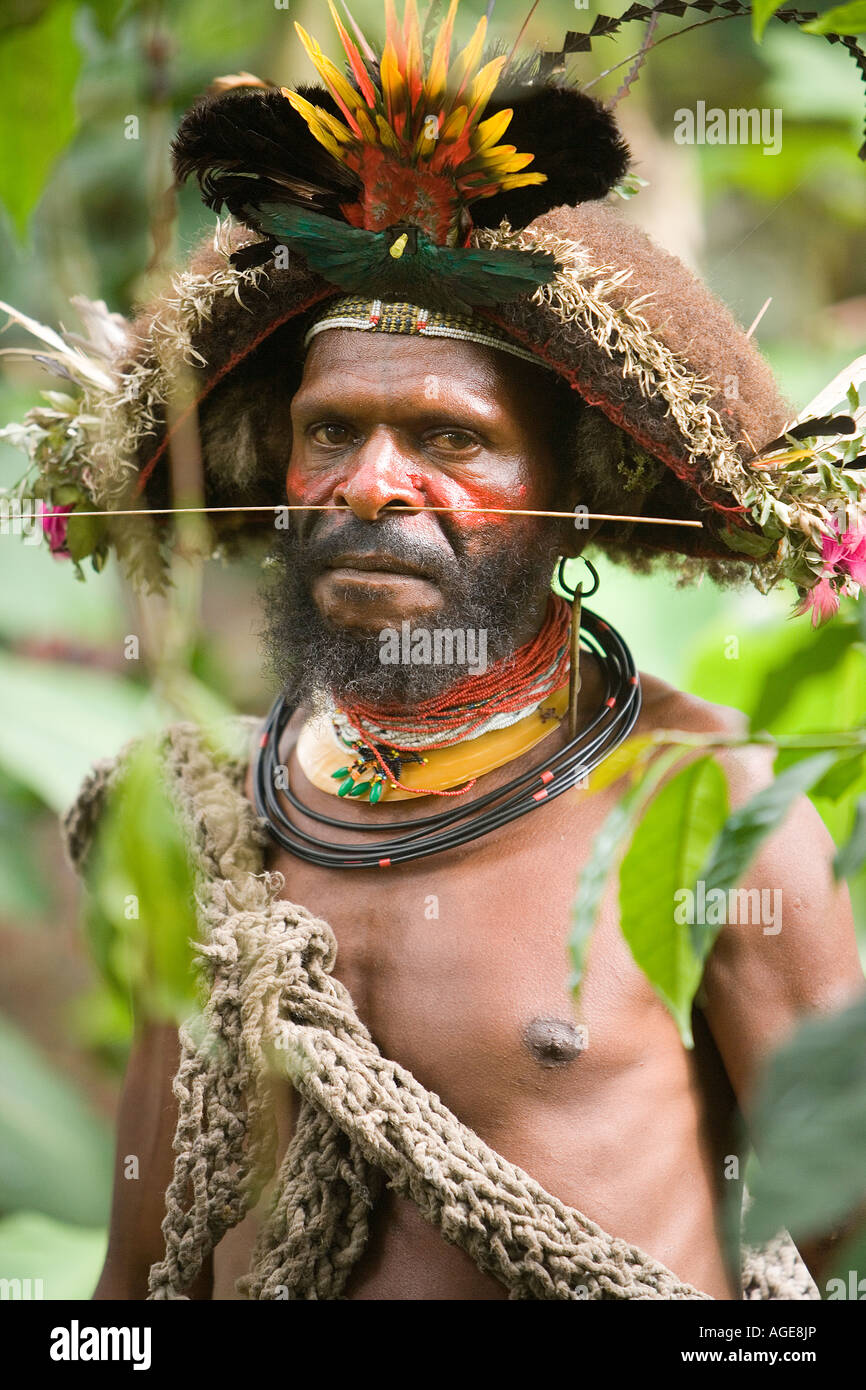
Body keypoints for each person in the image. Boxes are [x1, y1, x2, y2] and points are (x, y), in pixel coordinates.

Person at [7, 0, 866, 1300]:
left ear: (571, 488)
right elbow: (142, 1266)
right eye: (332, 429)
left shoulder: (713, 813)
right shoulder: (205, 819)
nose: (371, 484)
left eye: (450, 439)